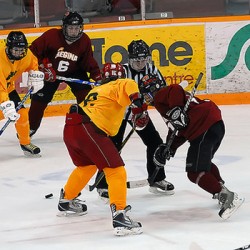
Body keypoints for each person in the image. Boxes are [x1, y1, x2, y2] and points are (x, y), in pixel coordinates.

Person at [58, 62, 148, 236]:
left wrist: (137, 111)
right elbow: (131, 90)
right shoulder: (123, 83)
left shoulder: (97, 91)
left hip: (71, 127)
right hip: (89, 128)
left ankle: (66, 200)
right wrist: (139, 109)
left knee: (87, 166)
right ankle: (120, 215)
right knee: (116, 170)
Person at [139, 74, 244, 220]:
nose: (146, 98)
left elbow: (175, 89)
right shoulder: (166, 103)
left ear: (151, 90)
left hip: (203, 127)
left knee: (195, 171)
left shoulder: (161, 97)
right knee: (203, 164)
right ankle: (220, 188)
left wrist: (176, 110)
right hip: (213, 124)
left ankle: (226, 196)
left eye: (145, 93)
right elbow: (178, 128)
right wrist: (170, 147)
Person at [95, 39, 174, 199]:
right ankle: (103, 184)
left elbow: (161, 91)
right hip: (118, 114)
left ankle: (157, 179)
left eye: (144, 59)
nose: (141, 63)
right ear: (129, 58)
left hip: (140, 114)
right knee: (113, 148)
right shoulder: (121, 71)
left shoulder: (151, 68)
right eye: (137, 60)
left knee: (155, 143)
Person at [28, 11, 101, 137]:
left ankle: (87, 126)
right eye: (71, 28)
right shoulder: (51, 35)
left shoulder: (84, 40)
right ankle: (30, 128)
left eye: (77, 28)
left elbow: (88, 61)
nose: (73, 31)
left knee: (86, 97)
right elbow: (32, 53)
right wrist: (42, 67)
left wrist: (97, 76)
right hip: (50, 73)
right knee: (39, 100)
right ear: (64, 27)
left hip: (75, 71)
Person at [0, 31, 44, 157]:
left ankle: (25, 143)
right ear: (8, 48)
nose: (20, 53)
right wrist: (5, 104)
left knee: (22, 114)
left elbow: (33, 64)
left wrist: (35, 76)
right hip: (1, 90)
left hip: (7, 89)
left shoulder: (26, 55)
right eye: (16, 50)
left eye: (22, 49)